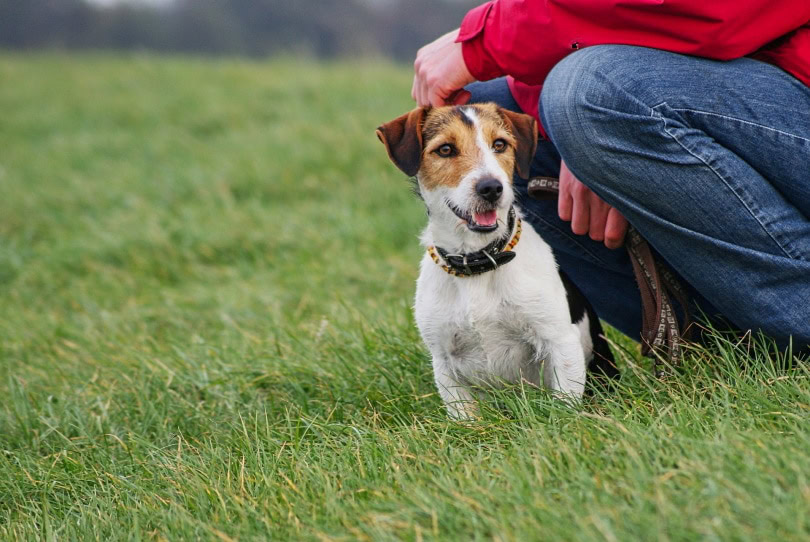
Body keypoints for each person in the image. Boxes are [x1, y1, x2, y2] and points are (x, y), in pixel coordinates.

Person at [411, 1, 810, 350]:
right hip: (757, 73)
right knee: (498, 109)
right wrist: (584, 143)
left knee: (589, 92)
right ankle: (729, 343)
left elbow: (713, 9)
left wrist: (489, 38)